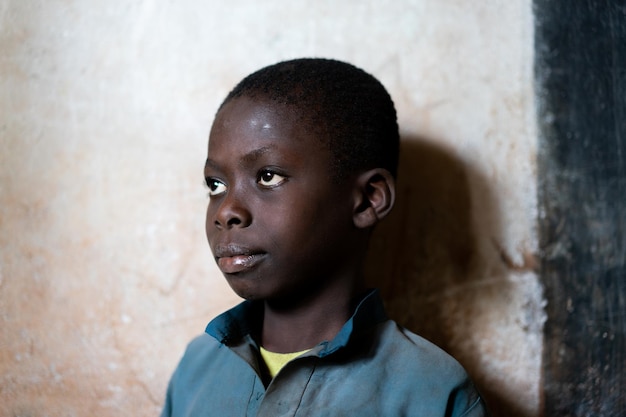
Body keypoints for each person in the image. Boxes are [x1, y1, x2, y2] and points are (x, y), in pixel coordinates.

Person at [161, 58, 488, 416]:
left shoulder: (432, 391)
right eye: (216, 184)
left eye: (269, 176)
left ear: (366, 200)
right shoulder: (197, 370)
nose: (226, 211)